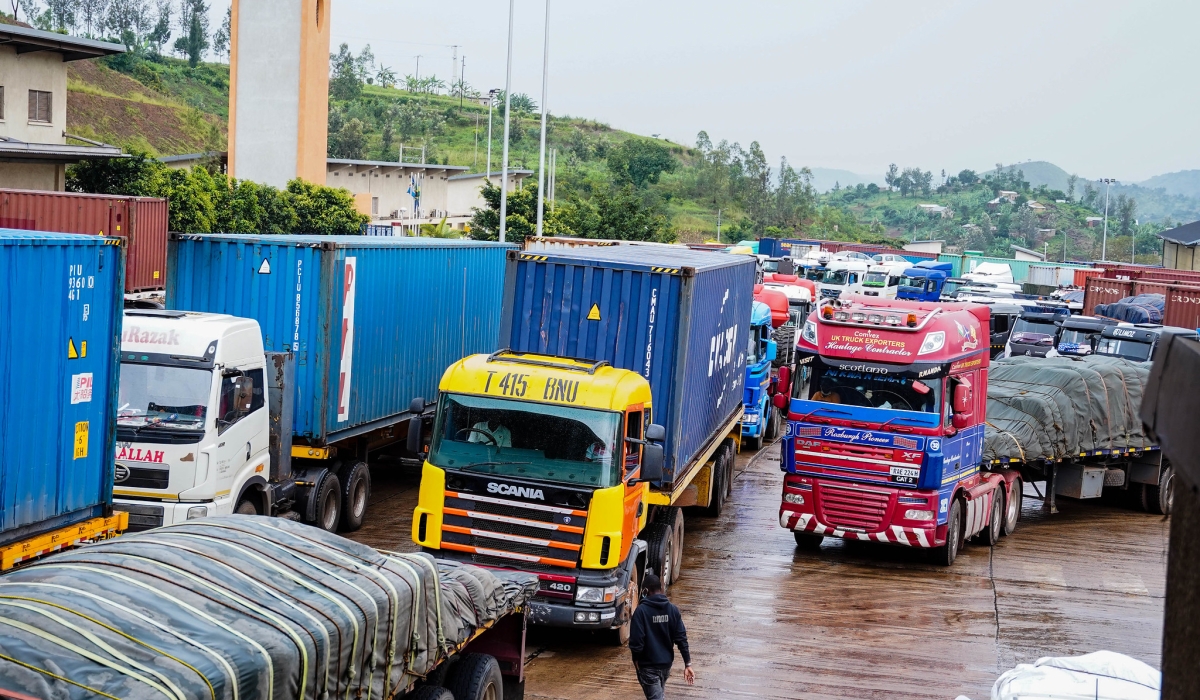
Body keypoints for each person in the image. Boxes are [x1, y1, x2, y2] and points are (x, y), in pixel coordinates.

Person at [629, 573, 694, 699]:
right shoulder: (672, 610)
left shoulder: (641, 612)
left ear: (645, 590)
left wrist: (636, 661)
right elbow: (681, 639)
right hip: (665, 666)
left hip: (648, 667)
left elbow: (636, 643)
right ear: (661, 589)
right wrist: (688, 664)